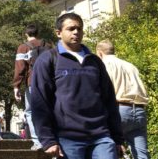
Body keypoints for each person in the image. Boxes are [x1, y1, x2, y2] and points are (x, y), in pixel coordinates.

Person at [31, 13, 124, 159]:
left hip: (101, 137)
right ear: (59, 33)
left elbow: (109, 100)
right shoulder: (48, 60)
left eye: (79, 29)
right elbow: (39, 102)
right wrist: (48, 140)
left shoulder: (95, 61)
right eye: (71, 28)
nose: (76, 32)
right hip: (67, 139)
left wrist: (117, 138)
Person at [97, 40, 149, 159]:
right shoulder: (130, 65)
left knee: (110, 150)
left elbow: (105, 91)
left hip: (119, 109)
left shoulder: (105, 64)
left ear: (99, 53)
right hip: (139, 110)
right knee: (142, 155)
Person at [12, 23, 47, 150]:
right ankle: (51, 140)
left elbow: (20, 68)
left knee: (31, 111)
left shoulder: (23, 48)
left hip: (33, 82)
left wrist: (16, 86)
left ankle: (38, 142)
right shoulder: (48, 45)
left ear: (26, 34)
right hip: (49, 83)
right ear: (38, 33)